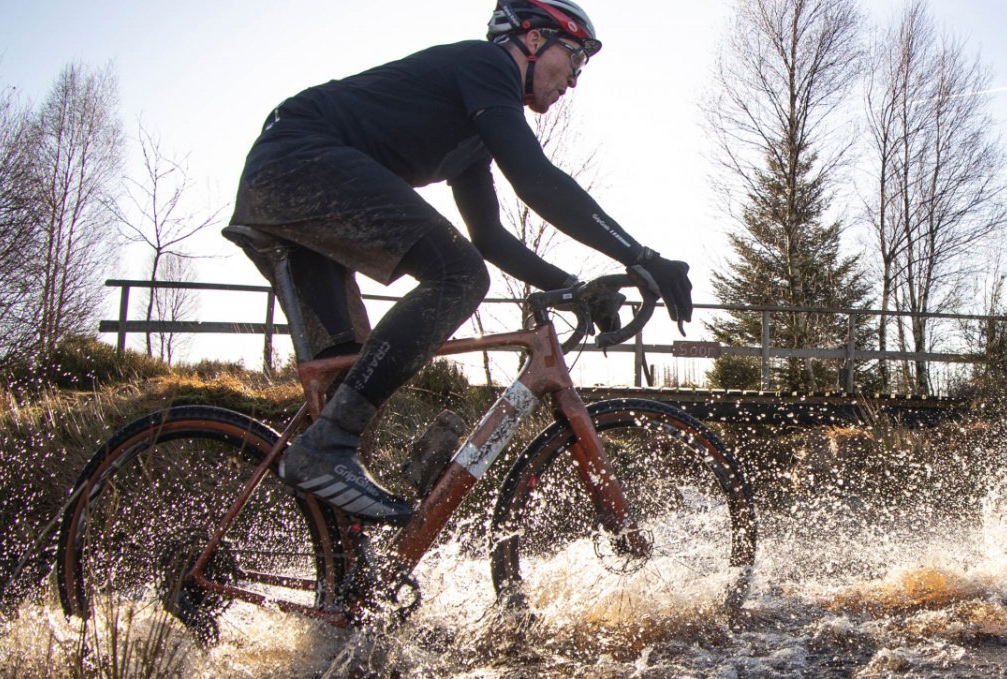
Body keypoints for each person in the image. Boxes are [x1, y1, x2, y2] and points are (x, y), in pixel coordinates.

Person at [227, 0, 693, 525]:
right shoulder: (485, 64)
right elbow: (533, 176)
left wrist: (573, 287)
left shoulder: (475, 133)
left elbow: (490, 236)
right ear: (534, 40)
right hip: (299, 162)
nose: (575, 81)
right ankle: (327, 446)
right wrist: (641, 256)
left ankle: (345, 581)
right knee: (461, 275)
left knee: (351, 376)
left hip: (284, 188)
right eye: (576, 57)